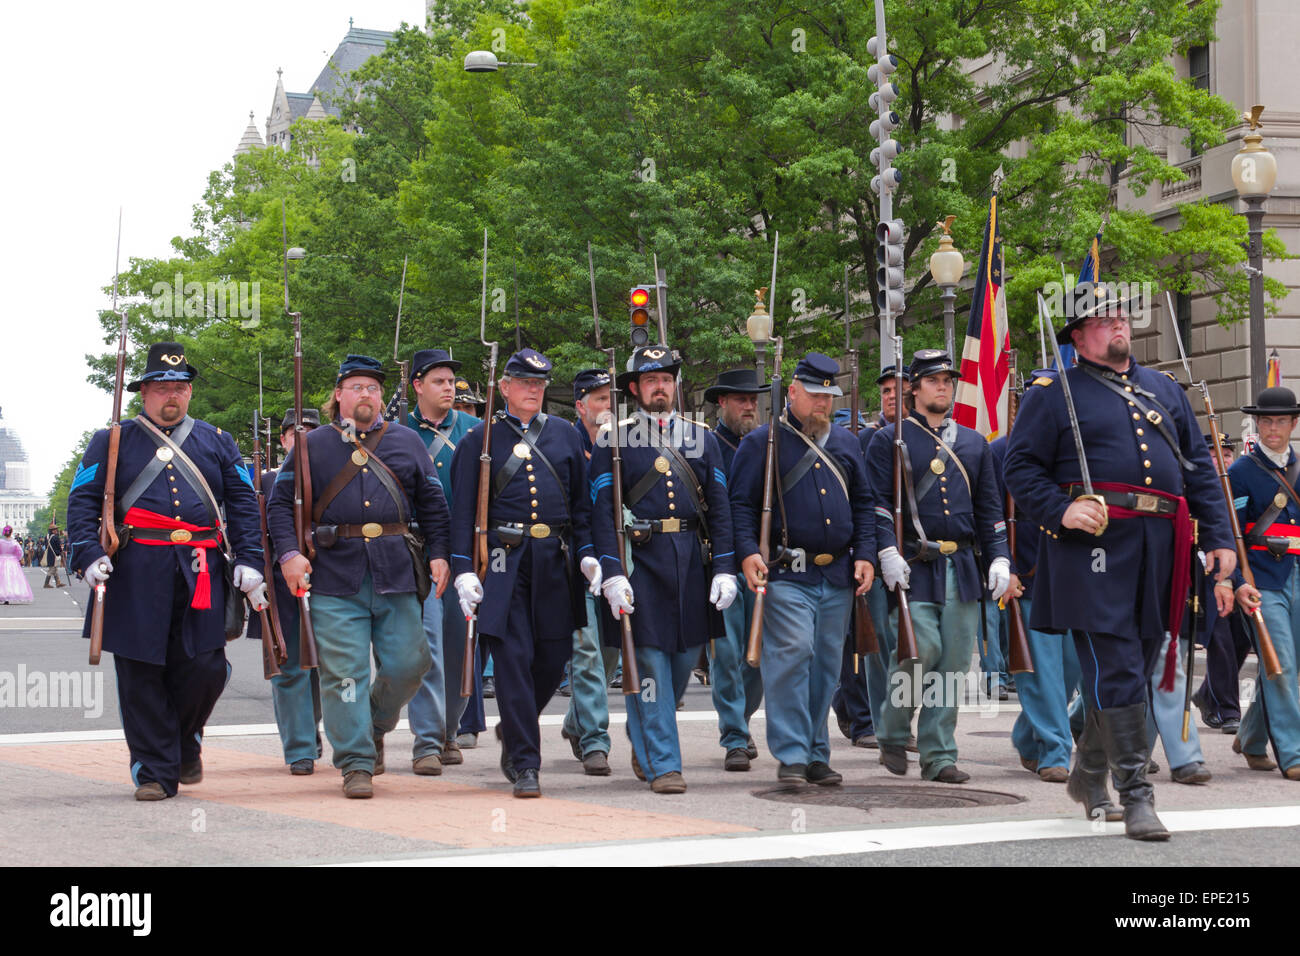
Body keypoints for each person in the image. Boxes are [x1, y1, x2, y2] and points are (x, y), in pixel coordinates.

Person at [1003, 288, 1235, 839]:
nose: (1118, 326)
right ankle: (1136, 795)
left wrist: (1219, 536)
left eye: (1121, 316)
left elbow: (1198, 467)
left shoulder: (1164, 390)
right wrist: (1062, 509)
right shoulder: (1052, 394)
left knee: (1140, 666)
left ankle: (1088, 773)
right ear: (1078, 337)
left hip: (1161, 549)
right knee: (1120, 670)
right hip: (1094, 552)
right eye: (1102, 321)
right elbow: (1019, 467)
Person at [66, 342, 268, 800]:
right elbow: (82, 499)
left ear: (190, 392)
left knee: (206, 666)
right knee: (140, 671)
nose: (171, 396)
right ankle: (155, 771)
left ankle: (184, 740)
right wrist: (87, 552)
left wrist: (251, 560)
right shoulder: (112, 439)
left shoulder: (217, 440)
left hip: (202, 565)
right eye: (161, 388)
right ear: (144, 393)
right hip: (136, 567)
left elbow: (241, 503)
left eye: (179, 387)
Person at [269, 354, 451, 799]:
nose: (365, 394)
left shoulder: (407, 442)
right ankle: (356, 762)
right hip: (335, 574)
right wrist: (290, 553)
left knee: (412, 664)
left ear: (381, 396)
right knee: (344, 674)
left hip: (397, 572)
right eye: (356, 387)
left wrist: (441, 554)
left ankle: (372, 725)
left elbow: (433, 506)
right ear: (338, 396)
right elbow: (278, 506)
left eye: (372, 388)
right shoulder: (312, 446)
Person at [450, 348, 597, 798]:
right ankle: (526, 764)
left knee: (552, 662)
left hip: (554, 559)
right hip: (503, 561)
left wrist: (591, 555)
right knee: (512, 663)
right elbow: (461, 511)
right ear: (505, 387)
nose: (533, 390)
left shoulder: (565, 436)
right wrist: (462, 569)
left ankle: (514, 731)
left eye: (540, 384)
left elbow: (582, 506)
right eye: (524, 383)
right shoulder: (480, 439)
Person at [590, 344, 736, 794]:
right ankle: (664, 765)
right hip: (642, 561)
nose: (661, 388)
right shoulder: (613, 439)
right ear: (635, 389)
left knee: (680, 664)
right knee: (649, 664)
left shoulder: (701, 436)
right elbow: (601, 511)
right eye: (652, 381)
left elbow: (721, 508)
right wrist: (612, 571)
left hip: (691, 558)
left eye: (667, 380)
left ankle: (645, 737)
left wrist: (725, 567)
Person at [867, 349, 1010, 784]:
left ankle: (939, 755)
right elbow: (875, 504)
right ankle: (892, 730)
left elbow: (989, 507)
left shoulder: (973, 443)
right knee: (919, 650)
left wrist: (1000, 554)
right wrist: (886, 551)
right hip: (914, 562)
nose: (942, 386)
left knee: (950, 665)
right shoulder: (888, 439)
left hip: (962, 564)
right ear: (913, 387)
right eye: (932, 380)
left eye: (947, 379)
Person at [732, 352, 876, 785]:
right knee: (792, 655)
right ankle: (792, 754)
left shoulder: (847, 443)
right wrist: (746, 552)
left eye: (829, 395)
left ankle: (816, 752)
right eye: (814, 394)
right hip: (787, 571)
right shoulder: (763, 442)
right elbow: (740, 504)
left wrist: (866, 553)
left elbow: (865, 504)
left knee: (826, 666)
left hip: (836, 574)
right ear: (791, 391)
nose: (822, 403)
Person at [403, 348, 482, 775]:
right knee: (426, 648)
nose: (448, 388)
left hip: (464, 551)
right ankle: (427, 741)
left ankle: (450, 731)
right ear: (417, 385)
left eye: (451, 381)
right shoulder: (398, 431)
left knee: (458, 646)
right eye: (438, 381)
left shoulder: (476, 430)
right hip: (417, 551)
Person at [1227, 387, 1300, 780]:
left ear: (1293, 423)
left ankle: (1252, 737)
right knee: (1282, 665)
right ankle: (1293, 753)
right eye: (1267, 421)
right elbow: (1232, 533)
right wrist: (1238, 581)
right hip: (1262, 578)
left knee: (1287, 665)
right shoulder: (1240, 472)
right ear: (1258, 424)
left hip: (1297, 575)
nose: (1274, 429)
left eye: (1282, 421)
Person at [247, 409, 323, 774]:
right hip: (280, 582)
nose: (302, 438)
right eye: (296, 432)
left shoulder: (330, 474)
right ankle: (300, 748)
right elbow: (251, 531)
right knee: (290, 666)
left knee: (328, 666)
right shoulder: (264, 480)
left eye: (310, 431)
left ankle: (314, 729)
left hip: (329, 577)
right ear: (283, 440)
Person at [558, 367, 622, 775]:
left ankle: (573, 722)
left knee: (611, 654)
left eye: (611, 399)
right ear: (581, 405)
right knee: (585, 652)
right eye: (599, 400)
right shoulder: (565, 444)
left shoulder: (626, 444)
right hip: (576, 560)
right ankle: (595, 740)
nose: (608, 407)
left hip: (618, 560)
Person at [703, 367, 768, 770]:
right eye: (740, 399)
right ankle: (734, 734)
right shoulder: (706, 446)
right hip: (719, 562)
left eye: (753, 400)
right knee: (725, 652)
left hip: (760, 561)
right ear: (722, 403)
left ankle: (741, 721)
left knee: (755, 652)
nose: (749, 406)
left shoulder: (766, 445)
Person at [1193, 434, 1250, 734]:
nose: (1221, 460)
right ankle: (1229, 710)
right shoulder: (1198, 488)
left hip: (1241, 573)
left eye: (1226, 454)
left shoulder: (1237, 485)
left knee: (1242, 637)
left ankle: (1206, 694)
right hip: (1206, 570)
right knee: (1220, 639)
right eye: (1214, 454)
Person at [0, 525, 33, 604]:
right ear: (11, 533)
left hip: (1, 559)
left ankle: (2, 594)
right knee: (12, 578)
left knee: (2, 578)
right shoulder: (14, 542)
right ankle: (10, 593)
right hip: (12, 561)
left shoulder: (0, 542)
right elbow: (20, 552)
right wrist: (18, 558)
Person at [42, 524, 66, 588]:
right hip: (54, 554)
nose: (57, 530)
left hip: (49, 554)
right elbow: (58, 546)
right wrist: (61, 551)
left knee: (55, 569)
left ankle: (58, 583)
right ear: (52, 531)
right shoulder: (55, 537)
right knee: (52, 569)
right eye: (55, 529)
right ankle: (46, 584)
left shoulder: (46, 537)